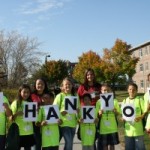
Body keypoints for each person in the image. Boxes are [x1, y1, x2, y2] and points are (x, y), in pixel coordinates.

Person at [53, 77, 80, 150]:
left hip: (73, 123)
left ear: (72, 85)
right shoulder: (59, 96)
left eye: (69, 84)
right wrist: (61, 113)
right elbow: (54, 109)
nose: (68, 86)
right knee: (69, 142)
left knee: (70, 143)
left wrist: (78, 111)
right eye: (66, 84)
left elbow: (78, 108)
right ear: (62, 86)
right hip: (64, 123)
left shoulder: (75, 95)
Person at [121, 82, 146, 150]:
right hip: (128, 130)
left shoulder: (140, 100)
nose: (132, 91)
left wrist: (140, 117)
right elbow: (123, 115)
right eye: (130, 89)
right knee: (129, 148)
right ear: (127, 90)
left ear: (136, 90)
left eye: (134, 89)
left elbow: (145, 112)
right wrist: (122, 118)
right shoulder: (124, 101)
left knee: (140, 148)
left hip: (138, 130)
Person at [96, 83, 120, 150]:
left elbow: (118, 113)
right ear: (101, 91)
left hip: (113, 127)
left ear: (111, 91)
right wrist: (99, 113)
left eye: (108, 90)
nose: (106, 92)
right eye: (104, 90)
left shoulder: (114, 101)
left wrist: (115, 111)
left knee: (112, 145)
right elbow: (96, 115)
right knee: (105, 146)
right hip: (103, 128)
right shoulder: (99, 102)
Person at [11, 84, 35, 150]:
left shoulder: (31, 103)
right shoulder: (16, 103)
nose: (26, 94)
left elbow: (33, 119)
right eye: (24, 92)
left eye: (28, 92)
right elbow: (10, 118)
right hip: (19, 132)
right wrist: (16, 114)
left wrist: (36, 113)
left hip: (29, 132)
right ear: (20, 92)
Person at [31, 78, 49, 150]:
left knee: (46, 145)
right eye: (38, 84)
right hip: (35, 124)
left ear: (45, 85)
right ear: (35, 85)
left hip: (47, 123)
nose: (40, 85)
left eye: (42, 84)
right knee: (36, 146)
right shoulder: (31, 95)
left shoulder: (49, 95)